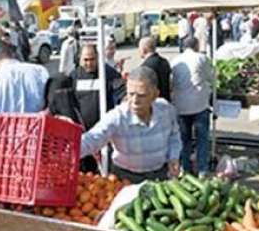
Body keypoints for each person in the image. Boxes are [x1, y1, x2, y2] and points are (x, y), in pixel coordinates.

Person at [80, 66, 181, 183]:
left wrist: (174, 157)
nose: (135, 100)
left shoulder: (166, 110)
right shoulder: (117, 117)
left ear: (155, 95)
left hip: (160, 176)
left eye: (141, 95)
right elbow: (92, 139)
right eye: (131, 94)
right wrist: (67, 152)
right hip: (125, 179)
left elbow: (174, 135)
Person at [171, 36, 214, 175]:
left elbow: (172, 83)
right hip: (200, 104)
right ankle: (202, 170)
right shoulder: (202, 58)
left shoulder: (175, 61)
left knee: (184, 140)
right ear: (196, 46)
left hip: (181, 106)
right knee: (202, 139)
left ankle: (185, 169)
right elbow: (211, 76)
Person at [0, 40, 49, 113]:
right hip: (41, 122)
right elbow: (51, 103)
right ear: (12, 54)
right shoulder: (39, 70)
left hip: (8, 123)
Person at [71, 44, 126, 130]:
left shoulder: (109, 73)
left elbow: (121, 92)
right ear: (80, 59)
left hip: (105, 128)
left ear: (97, 57)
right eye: (86, 60)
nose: (89, 63)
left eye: (92, 59)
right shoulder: (74, 76)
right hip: (82, 129)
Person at [139, 36, 171, 101]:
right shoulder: (164, 61)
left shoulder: (145, 66)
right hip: (166, 101)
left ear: (144, 49)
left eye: (139, 48)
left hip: (153, 103)